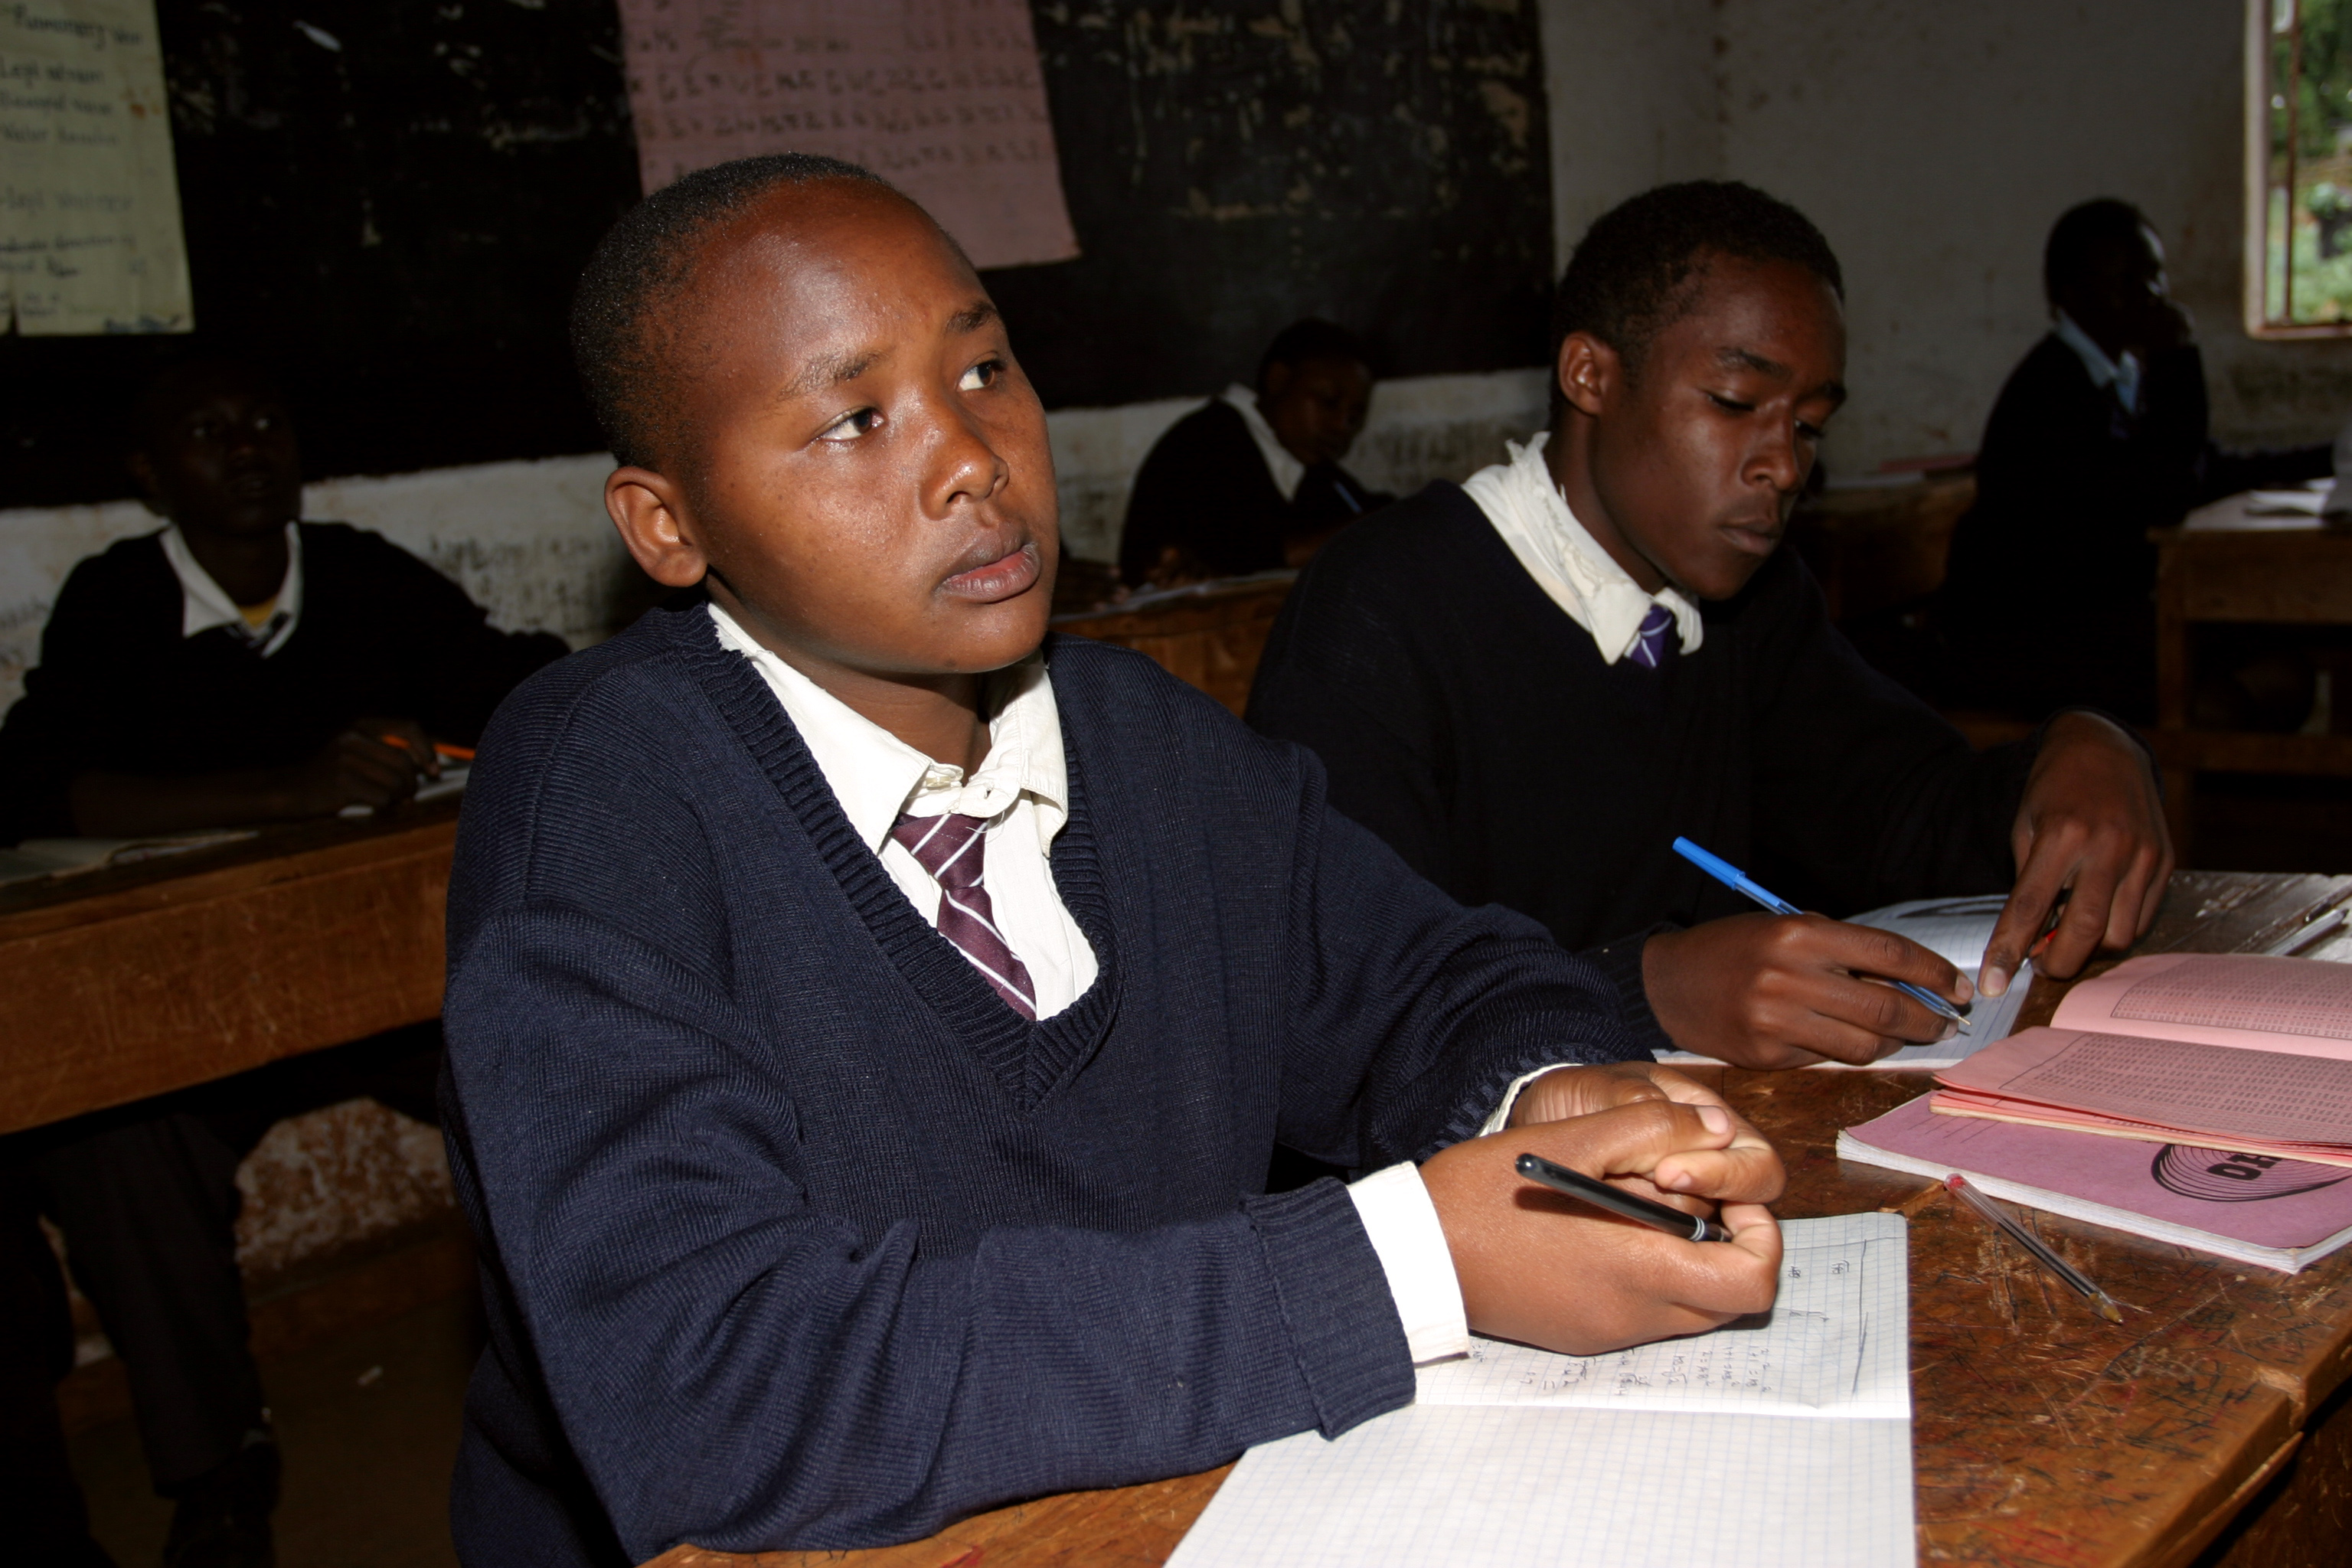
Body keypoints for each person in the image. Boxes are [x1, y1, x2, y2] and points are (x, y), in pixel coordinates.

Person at [436, 153, 1791, 1564]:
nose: (972, 458)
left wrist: (1546, 1090)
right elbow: (710, 1391)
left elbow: (1436, 978)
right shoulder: (602, 796)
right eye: (854, 418)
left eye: (984, 371)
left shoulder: (1135, 736)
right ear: (669, 525)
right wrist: (1402, 1268)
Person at [1248, 181, 2174, 1073]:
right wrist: (1647, 989)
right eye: (1736, 405)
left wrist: (2074, 753)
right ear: (1590, 375)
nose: (1782, 463)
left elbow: (1900, 811)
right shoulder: (1380, 612)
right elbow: (1333, 1014)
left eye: (1810, 425)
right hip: (1469, 1199)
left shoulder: (1745, 602)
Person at [0, 359, 567, 1567]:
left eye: (265, 422)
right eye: (207, 433)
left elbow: (513, 676)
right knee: (107, 1139)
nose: (247, 447)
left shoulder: (360, 575)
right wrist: (286, 790)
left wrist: (475, 727)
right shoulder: (117, 603)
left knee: (552, 1043)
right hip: (197, 1009)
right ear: (151, 477)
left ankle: (602, 1377)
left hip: (384, 982)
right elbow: (34, 783)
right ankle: (218, 1469)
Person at [1938, 199, 2332, 723]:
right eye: (2125, 281)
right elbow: (2168, 492)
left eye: (2155, 275)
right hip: (2029, 640)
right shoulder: (2052, 390)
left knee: (2288, 671)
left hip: (2099, 621)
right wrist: (2178, 357)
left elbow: (2202, 467)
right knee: (2219, 700)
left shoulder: (2119, 372)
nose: (2150, 295)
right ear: (2068, 294)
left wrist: (2326, 459)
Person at [1116, 318, 1392, 587]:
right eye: (1328, 402)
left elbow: (1370, 514)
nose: (1341, 427)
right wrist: (1366, 529)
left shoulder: (1317, 472)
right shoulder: (1205, 443)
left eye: (1354, 418)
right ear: (1278, 380)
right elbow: (1241, 556)